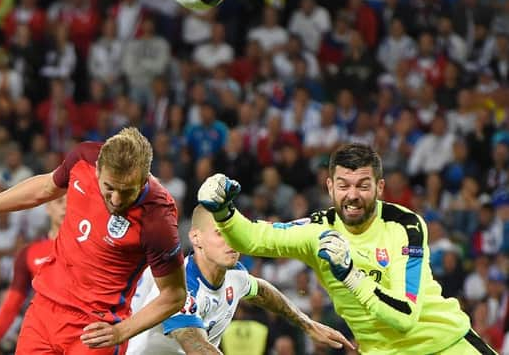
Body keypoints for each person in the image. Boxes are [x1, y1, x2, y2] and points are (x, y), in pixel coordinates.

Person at [196, 143, 497, 355]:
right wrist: (224, 212)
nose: (352, 196)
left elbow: (404, 317)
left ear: (379, 188)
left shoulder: (404, 226)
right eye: (344, 185)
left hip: (447, 345)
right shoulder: (318, 231)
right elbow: (253, 238)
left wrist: (351, 274)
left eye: (363, 186)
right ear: (330, 187)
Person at [0, 127, 187, 354]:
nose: (117, 200)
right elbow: (44, 188)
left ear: (144, 178)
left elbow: (174, 294)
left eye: (127, 191)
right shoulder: (83, 158)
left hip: (95, 330)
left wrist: (123, 331)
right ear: (98, 169)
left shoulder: (158, 220)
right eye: (110, 187)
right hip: (44, 312)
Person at [127, 204, 352, 355]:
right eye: (219, 234)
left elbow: (261, 290)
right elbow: (195, 344)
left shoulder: (234, 274)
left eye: (233, 233)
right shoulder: (180, 286)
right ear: (196, 237)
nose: (231, 242)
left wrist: (307, 323)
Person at [0, 195, 67, 355]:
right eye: (59, 202)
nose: (65, 207)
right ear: (47, 207)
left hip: (79, 331)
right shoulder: (30, 252)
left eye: (72, 202)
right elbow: (14, 299)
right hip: (41, 332)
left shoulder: (91, 247)